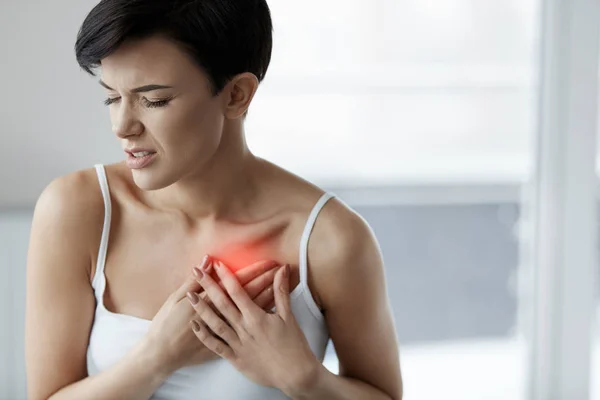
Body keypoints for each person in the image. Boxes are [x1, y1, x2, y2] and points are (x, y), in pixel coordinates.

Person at [24, 0, 403, 399]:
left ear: (236, 95)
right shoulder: (79, 210)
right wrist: (156, 358)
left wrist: (305, 379)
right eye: (112, 98)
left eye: (153, 100)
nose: (123, 126)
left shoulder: (330, 240)